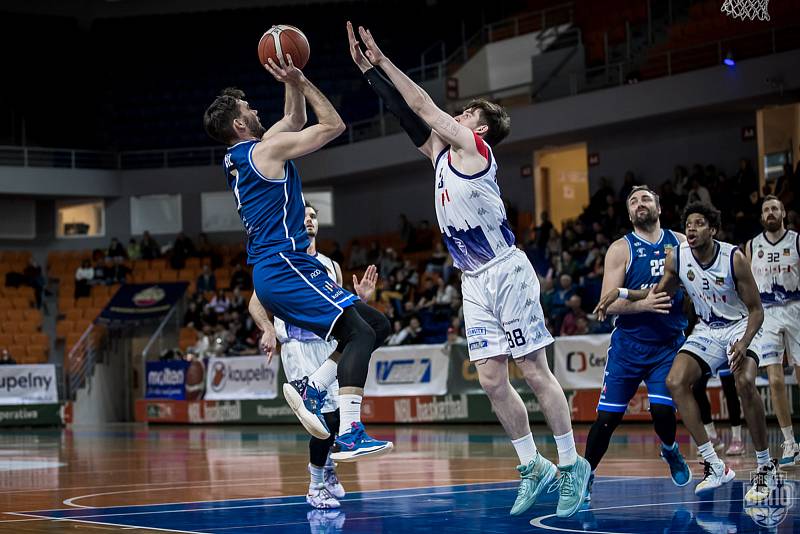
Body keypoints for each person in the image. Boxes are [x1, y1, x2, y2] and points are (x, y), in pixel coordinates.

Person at [348, 22, 589, 518]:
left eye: (465, 114)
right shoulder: (441, 155)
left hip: (506, 269)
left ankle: (571, 465)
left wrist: (383, 56)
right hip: (473, 278)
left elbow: (422, 106)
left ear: (478, 129)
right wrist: (371, 74)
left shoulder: (477, 151)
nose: (456, 116)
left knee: (534, 371)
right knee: (491, 380)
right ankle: (533, 466)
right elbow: (407, 116)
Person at [203, 52, 392, 461]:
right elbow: (332, 126)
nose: (254, 109)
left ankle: (313, 387)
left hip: (281, 268)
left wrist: (289, 79)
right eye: (247, 108)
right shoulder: (263, 154)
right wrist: (304, 81)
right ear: (239, 123)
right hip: (285, 265)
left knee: (377, 324)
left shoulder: (244, 157)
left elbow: (292, 122)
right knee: (357, 334)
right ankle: (351, 431)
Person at [595, 202, 774, 504]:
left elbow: (757, 310)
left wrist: (743, 344)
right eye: (688, 223)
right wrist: (621, 292)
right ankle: (714, 465)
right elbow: (658, 292)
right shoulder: (677, 257)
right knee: (676, 381)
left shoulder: (734, 258)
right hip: (708, 329)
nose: (691, 228)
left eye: (699, 223)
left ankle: (764, 466)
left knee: (743, 383)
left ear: (713, 230)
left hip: (741, 325)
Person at [582, 186, 691, 502]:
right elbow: (608, 303)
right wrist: (644, 304)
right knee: (607, 419)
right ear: (629, 213)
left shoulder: (680, 243)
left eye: (645, 199)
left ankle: (669, 450)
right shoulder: (620, 248)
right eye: (633, 201)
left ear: (659, 205)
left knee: (662, 411)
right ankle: (586, 475)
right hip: (629, 347)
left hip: (667, 345)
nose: (639, 204)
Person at [273, 202, 378, 509]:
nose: (309, 221)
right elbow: (256, 300)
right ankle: (316, 484)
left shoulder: (331, 265)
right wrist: (267, 328)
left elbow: (338, 309)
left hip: (326, 343)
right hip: (297, 346)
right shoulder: (283, 260)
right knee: (322, 418)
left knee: (334, 415)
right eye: (303, 216)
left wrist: (360, 300)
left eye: (313, 217)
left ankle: (326, 468)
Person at [746, 195, 800, 466]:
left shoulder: (797, 241)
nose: (770, 212)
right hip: (766, 313)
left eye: (775, 208)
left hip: (796, 308)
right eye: (766, 209)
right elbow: (744, 284)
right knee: (775, 380)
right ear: (761, 216)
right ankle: (790, 442)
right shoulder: (752, 245)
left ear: (783, 213)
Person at [692, 366, 744, 455]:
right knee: (697, 388)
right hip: (709, 354)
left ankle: (737, 439)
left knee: (729, 387)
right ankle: (713, 437)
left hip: (724, 354)